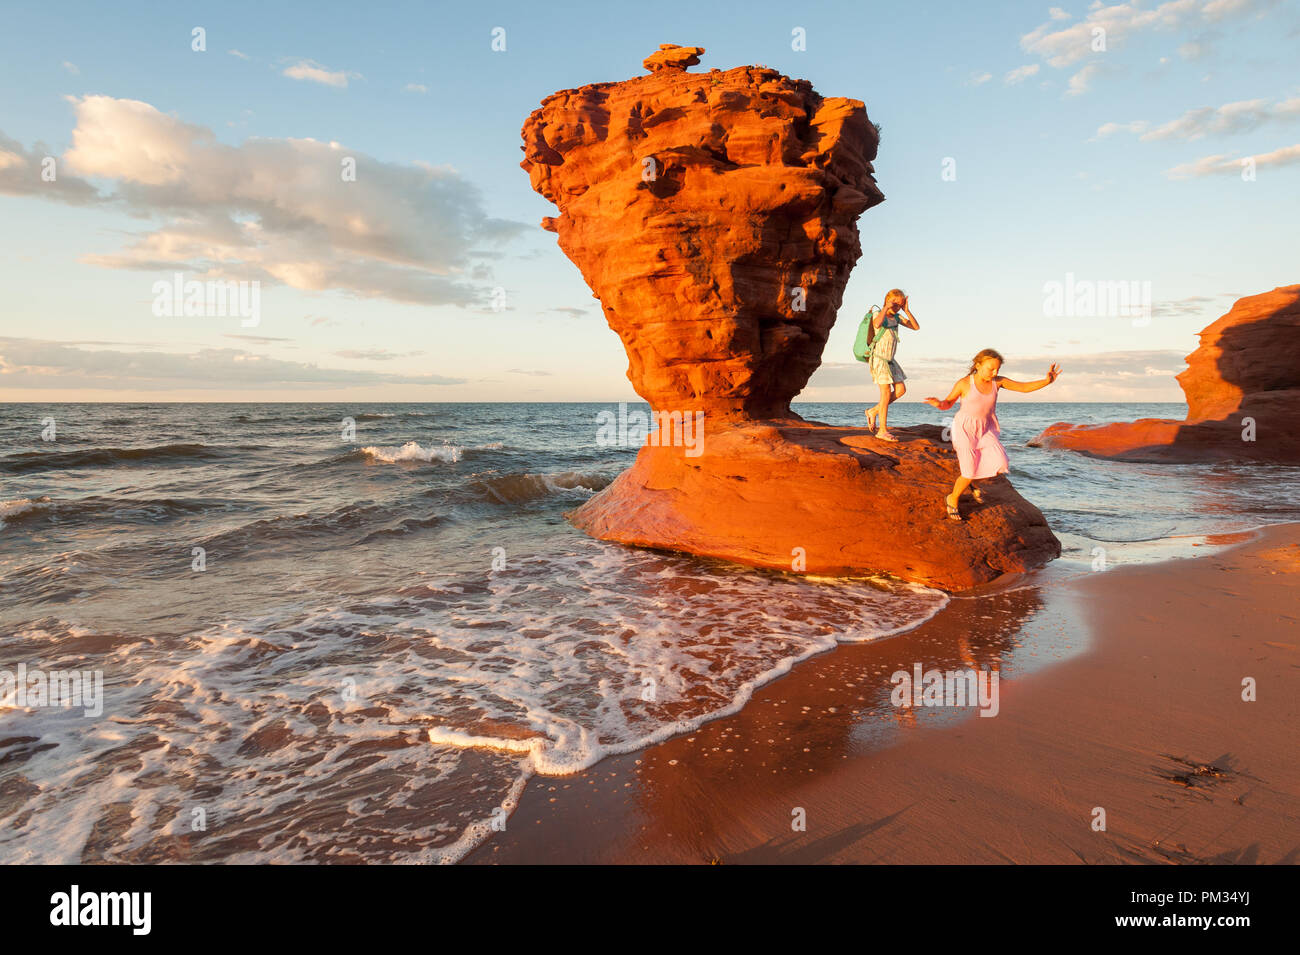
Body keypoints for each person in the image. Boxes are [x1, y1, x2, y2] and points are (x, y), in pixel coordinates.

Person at [925, 349, 1062, 521]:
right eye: (991, 369)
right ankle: (952, 498)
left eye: (997, 369)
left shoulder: (998, 382)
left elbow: (1024, 388)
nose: (995, 373)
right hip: (964, 429)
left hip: (986, 429)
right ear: (978, 365)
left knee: (1000, 462)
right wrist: (938, 403)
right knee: (968, 472)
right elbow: (947, 404)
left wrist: (1047, 381)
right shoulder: (965, 383)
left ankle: (975, 483)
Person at [864, 289, 919, 441]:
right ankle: (882, 430)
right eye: (895, 304)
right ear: (888, 300)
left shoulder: (897, 317)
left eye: (900, 305)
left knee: (901, 390)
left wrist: (907, 310)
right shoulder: (878, 314)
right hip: (879, 359)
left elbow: (915, 327)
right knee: (886, 392)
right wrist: (885, 308)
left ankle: (873, 411)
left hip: (891, 360)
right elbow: (877, 323)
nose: (897, 307)